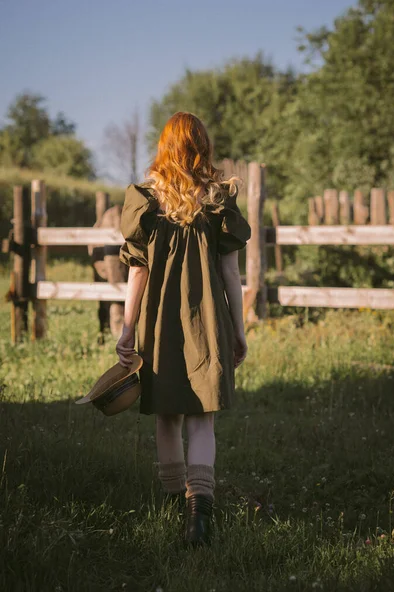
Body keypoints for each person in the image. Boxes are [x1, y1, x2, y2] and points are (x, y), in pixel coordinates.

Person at [116, 111, 251, 547]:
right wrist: (238, 328)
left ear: (165, 147)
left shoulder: (144, 199)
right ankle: (199, 516)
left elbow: (136, 273)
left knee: (167, 416)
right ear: (202, 147)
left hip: (158, 323)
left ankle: (176, 503)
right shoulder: (218, 198)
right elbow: (231, 273)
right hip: (208, 319)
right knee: (202, 419)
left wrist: (126, 328)